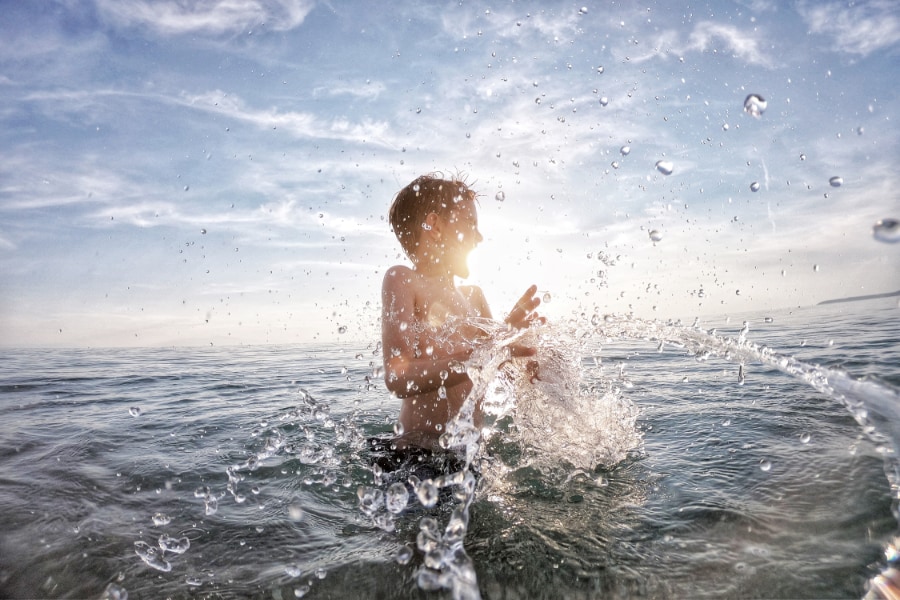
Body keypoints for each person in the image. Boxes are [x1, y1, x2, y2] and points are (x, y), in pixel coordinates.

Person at [380, 173, 543, 454]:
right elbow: (398, 377)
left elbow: (501, 371)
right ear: (435, 226)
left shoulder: (474, 297)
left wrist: (521, 348)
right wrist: (483, 354)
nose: (479, 236)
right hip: (415, 452)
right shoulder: (404, 280)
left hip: (468, 453)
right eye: (470, 224)